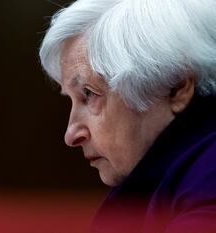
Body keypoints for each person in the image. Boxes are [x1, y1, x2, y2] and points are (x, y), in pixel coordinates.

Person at [39, 0, 216, 232]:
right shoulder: (157, 185)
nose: (71, 135)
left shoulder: (207, 192)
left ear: (176, 87)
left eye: (89, 94)